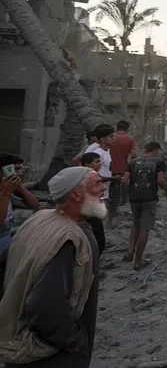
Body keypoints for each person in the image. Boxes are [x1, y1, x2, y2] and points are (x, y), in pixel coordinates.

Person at [0, 167, 104, 368]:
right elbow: (44, 305)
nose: (103, 188)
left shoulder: (40, 218)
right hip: (49, 355)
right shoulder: (68, 237)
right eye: (97, 183)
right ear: (75, 194)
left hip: (21, 344)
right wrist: (73, 340)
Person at [122, 141, 167, 270]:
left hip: (134, 198)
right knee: (144, 228)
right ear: (156, 150)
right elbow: (160, 180)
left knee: (135, 224)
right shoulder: (159, 161)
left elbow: (124, 180)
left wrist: (126, 195)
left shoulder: (132, 162)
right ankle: (138, 260)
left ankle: (131, 251)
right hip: (149, 198)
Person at [0, 155, 40, 254]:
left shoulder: (9, 196)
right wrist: (6, 192)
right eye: (16, 169)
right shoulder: (5, 194)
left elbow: (34, 204)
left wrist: (18, 187)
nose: (20, 172)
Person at [84, 124, 120, 229]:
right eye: (111, 136)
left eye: (114, 136)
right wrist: (114, 178)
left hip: (104, 190)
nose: (114, 138)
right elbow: (92, 173)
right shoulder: (98, 153)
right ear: (103, 139)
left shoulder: (107, 151)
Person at [78, 153, 108, 255]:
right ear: (87, 164)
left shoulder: (91, 174)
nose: (100, 164)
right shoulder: (86, 176)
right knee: (96, 241)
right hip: (89, 211)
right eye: (97, 162)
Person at [109, 120, 137, 212]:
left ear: (116, 127)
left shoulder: (110, 137)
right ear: (127, 129)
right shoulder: (130, 139)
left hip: (108, 167)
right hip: (123, 168)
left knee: (109, 190)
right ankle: (116, 209)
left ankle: (110, 209)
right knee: (119, 190)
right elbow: (134, 155)